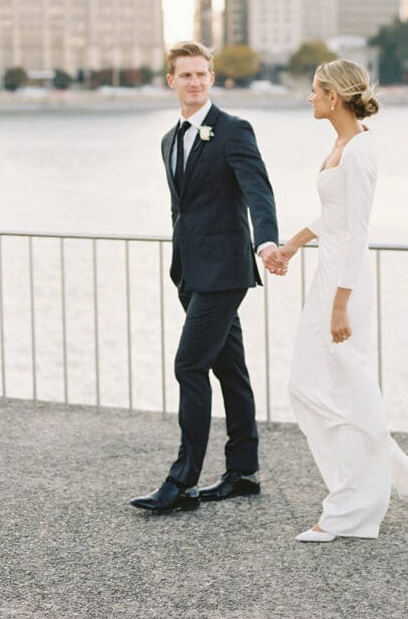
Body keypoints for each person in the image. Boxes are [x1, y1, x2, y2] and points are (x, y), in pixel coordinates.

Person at [269, 59, 408, 541]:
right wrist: (292, 245)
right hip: (329, 278)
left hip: (345, 285)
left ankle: (352, 508)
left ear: (333, 97)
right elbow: (331, 216)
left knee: (348, 388)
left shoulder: (359, 150)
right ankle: (378, 468)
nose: (309, 97)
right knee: (306, 387)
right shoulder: (340, 145)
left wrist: (340, 303)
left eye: (314, 90)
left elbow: (357, 232)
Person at [130, 41, 280, 513]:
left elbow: (258, 190)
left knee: (188, 366)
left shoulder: (234, 130)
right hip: (191, 273)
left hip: (226, 272)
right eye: (186, 75)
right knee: (229, 368)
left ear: (212, 78)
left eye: (201, 74)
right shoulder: (169, 140)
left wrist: (266, 241)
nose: (194, 82)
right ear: (171, 81)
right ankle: (243, 472)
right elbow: (183, 210)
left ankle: (183, 482)